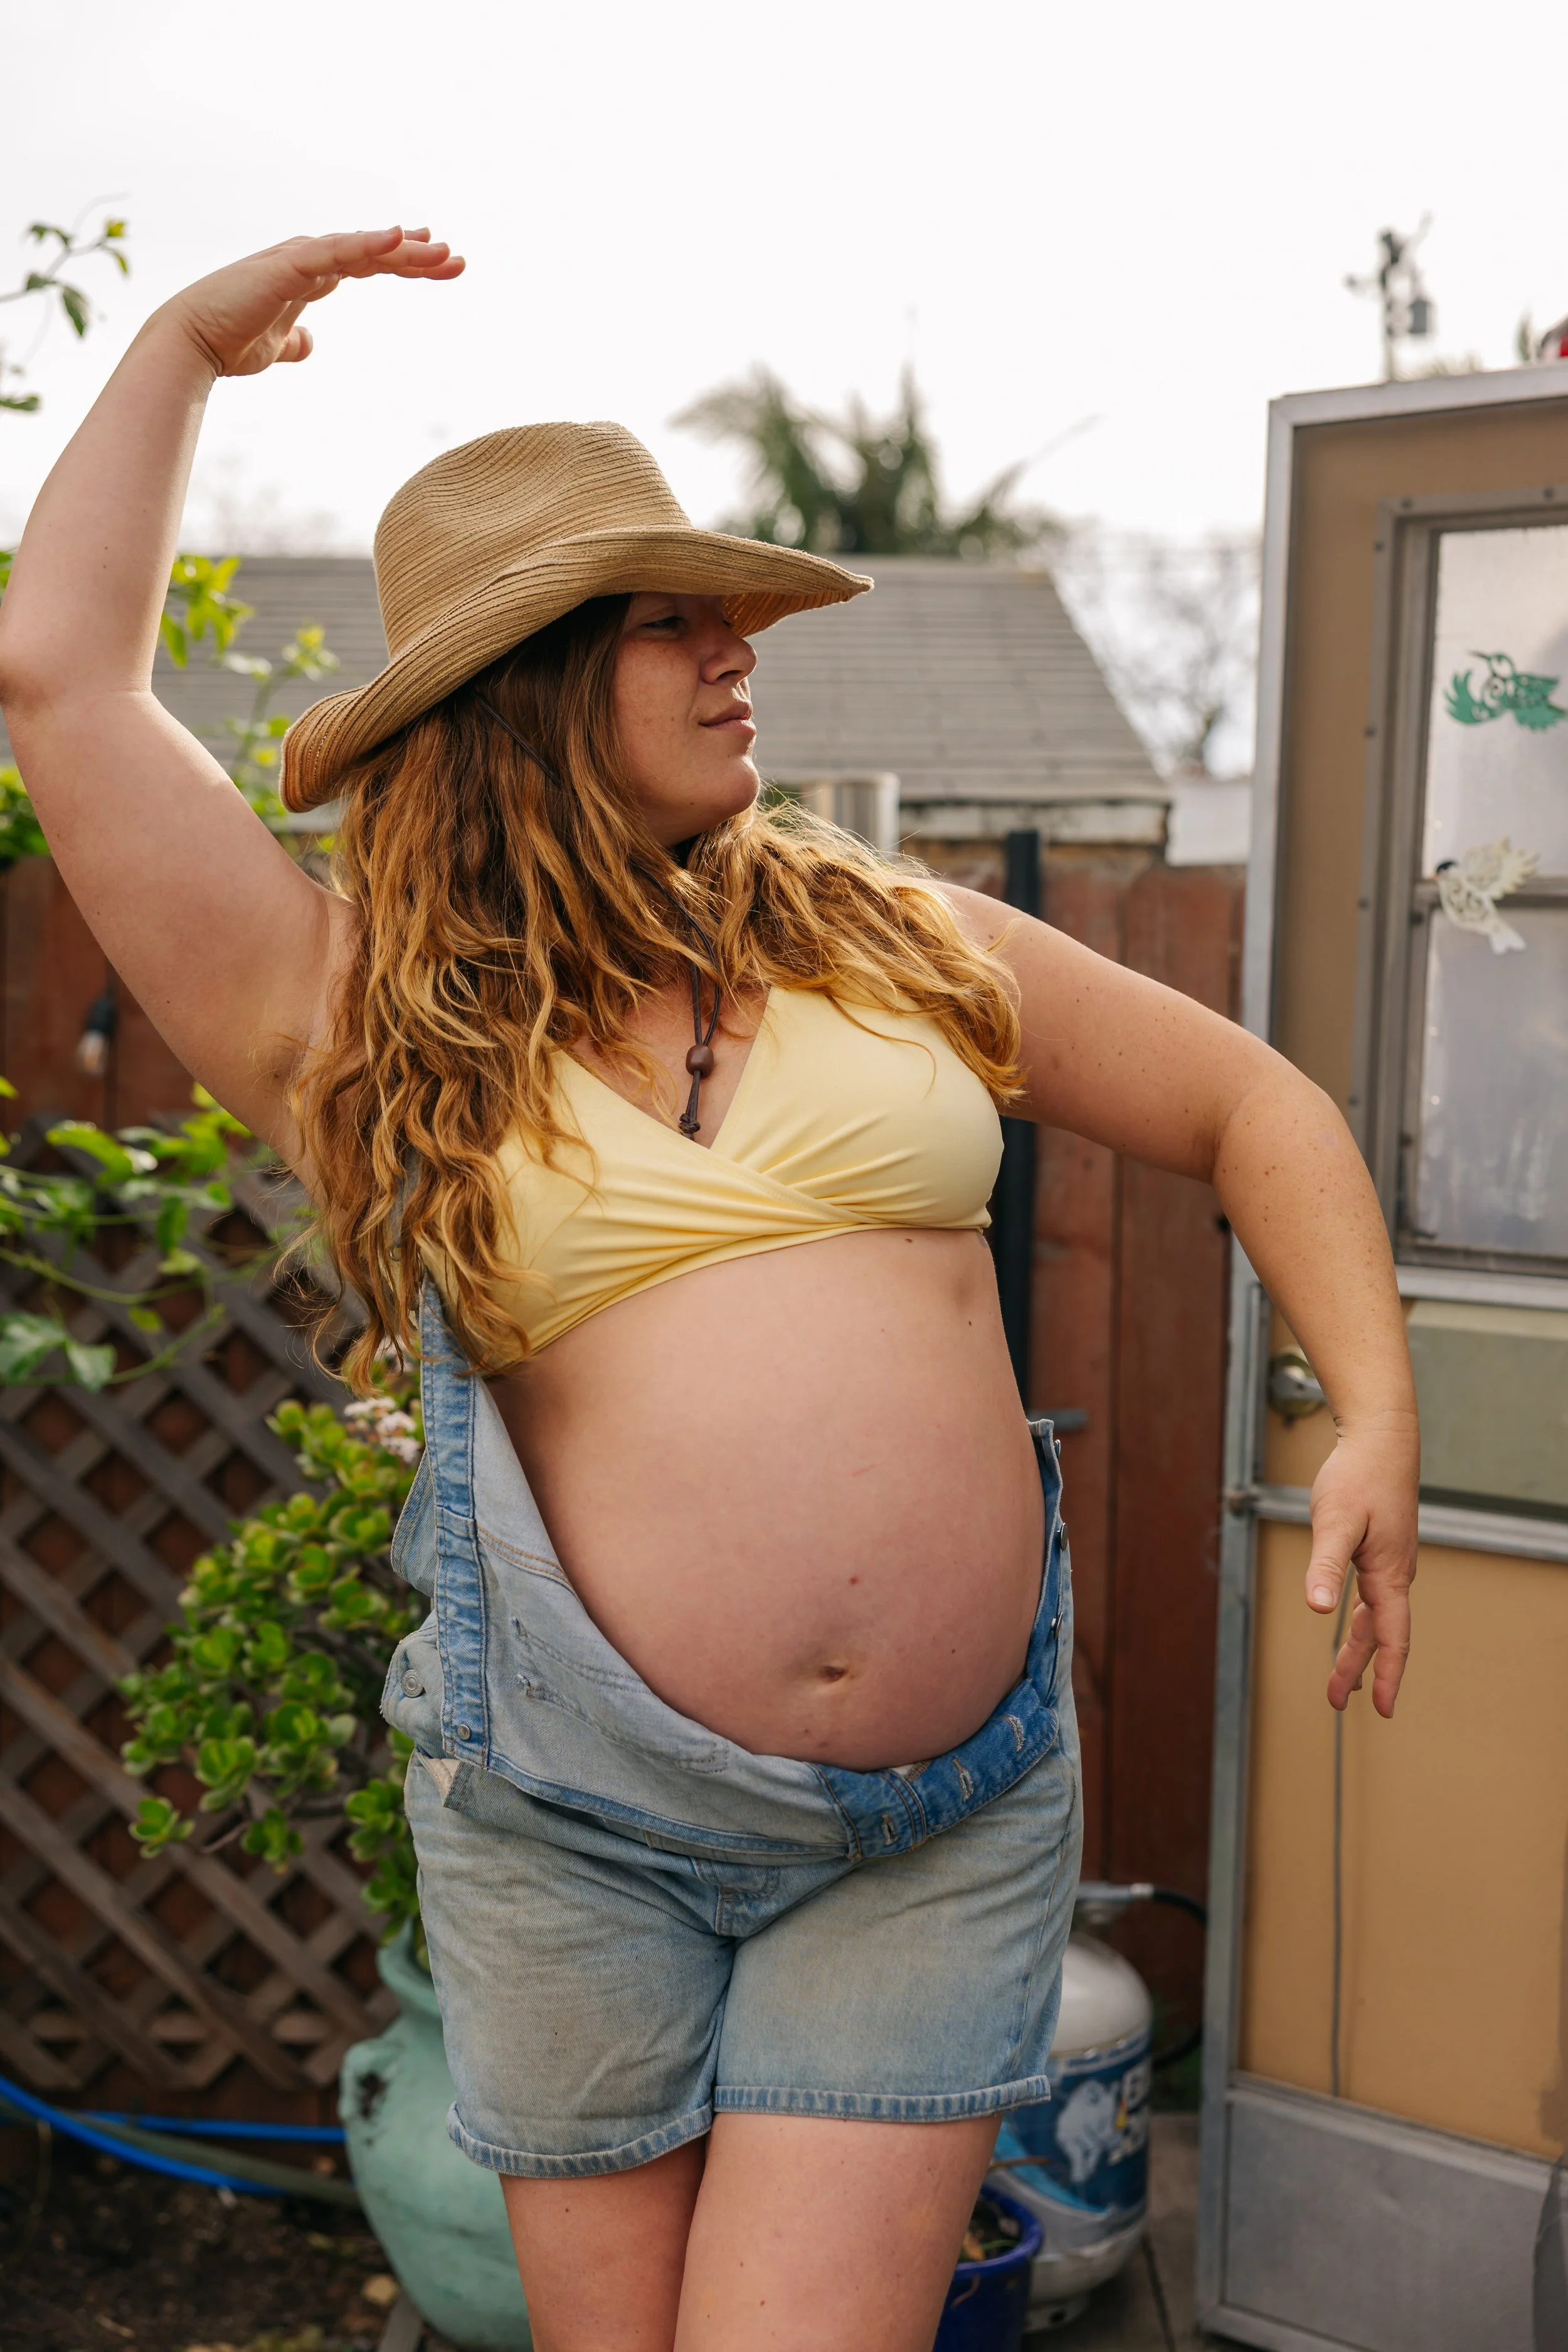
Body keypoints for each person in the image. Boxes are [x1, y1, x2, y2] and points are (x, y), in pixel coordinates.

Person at [0, 230, 1419, 2352]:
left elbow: (1251, 1104)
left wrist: (1373, 1404)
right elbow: (63, 687)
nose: (734, 649)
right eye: (664, 621)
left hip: (928, 1834)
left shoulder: (893, 942)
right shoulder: (351, 1016)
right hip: (581, 1835)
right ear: (516, 688)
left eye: (725, 611)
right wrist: (184, 349)